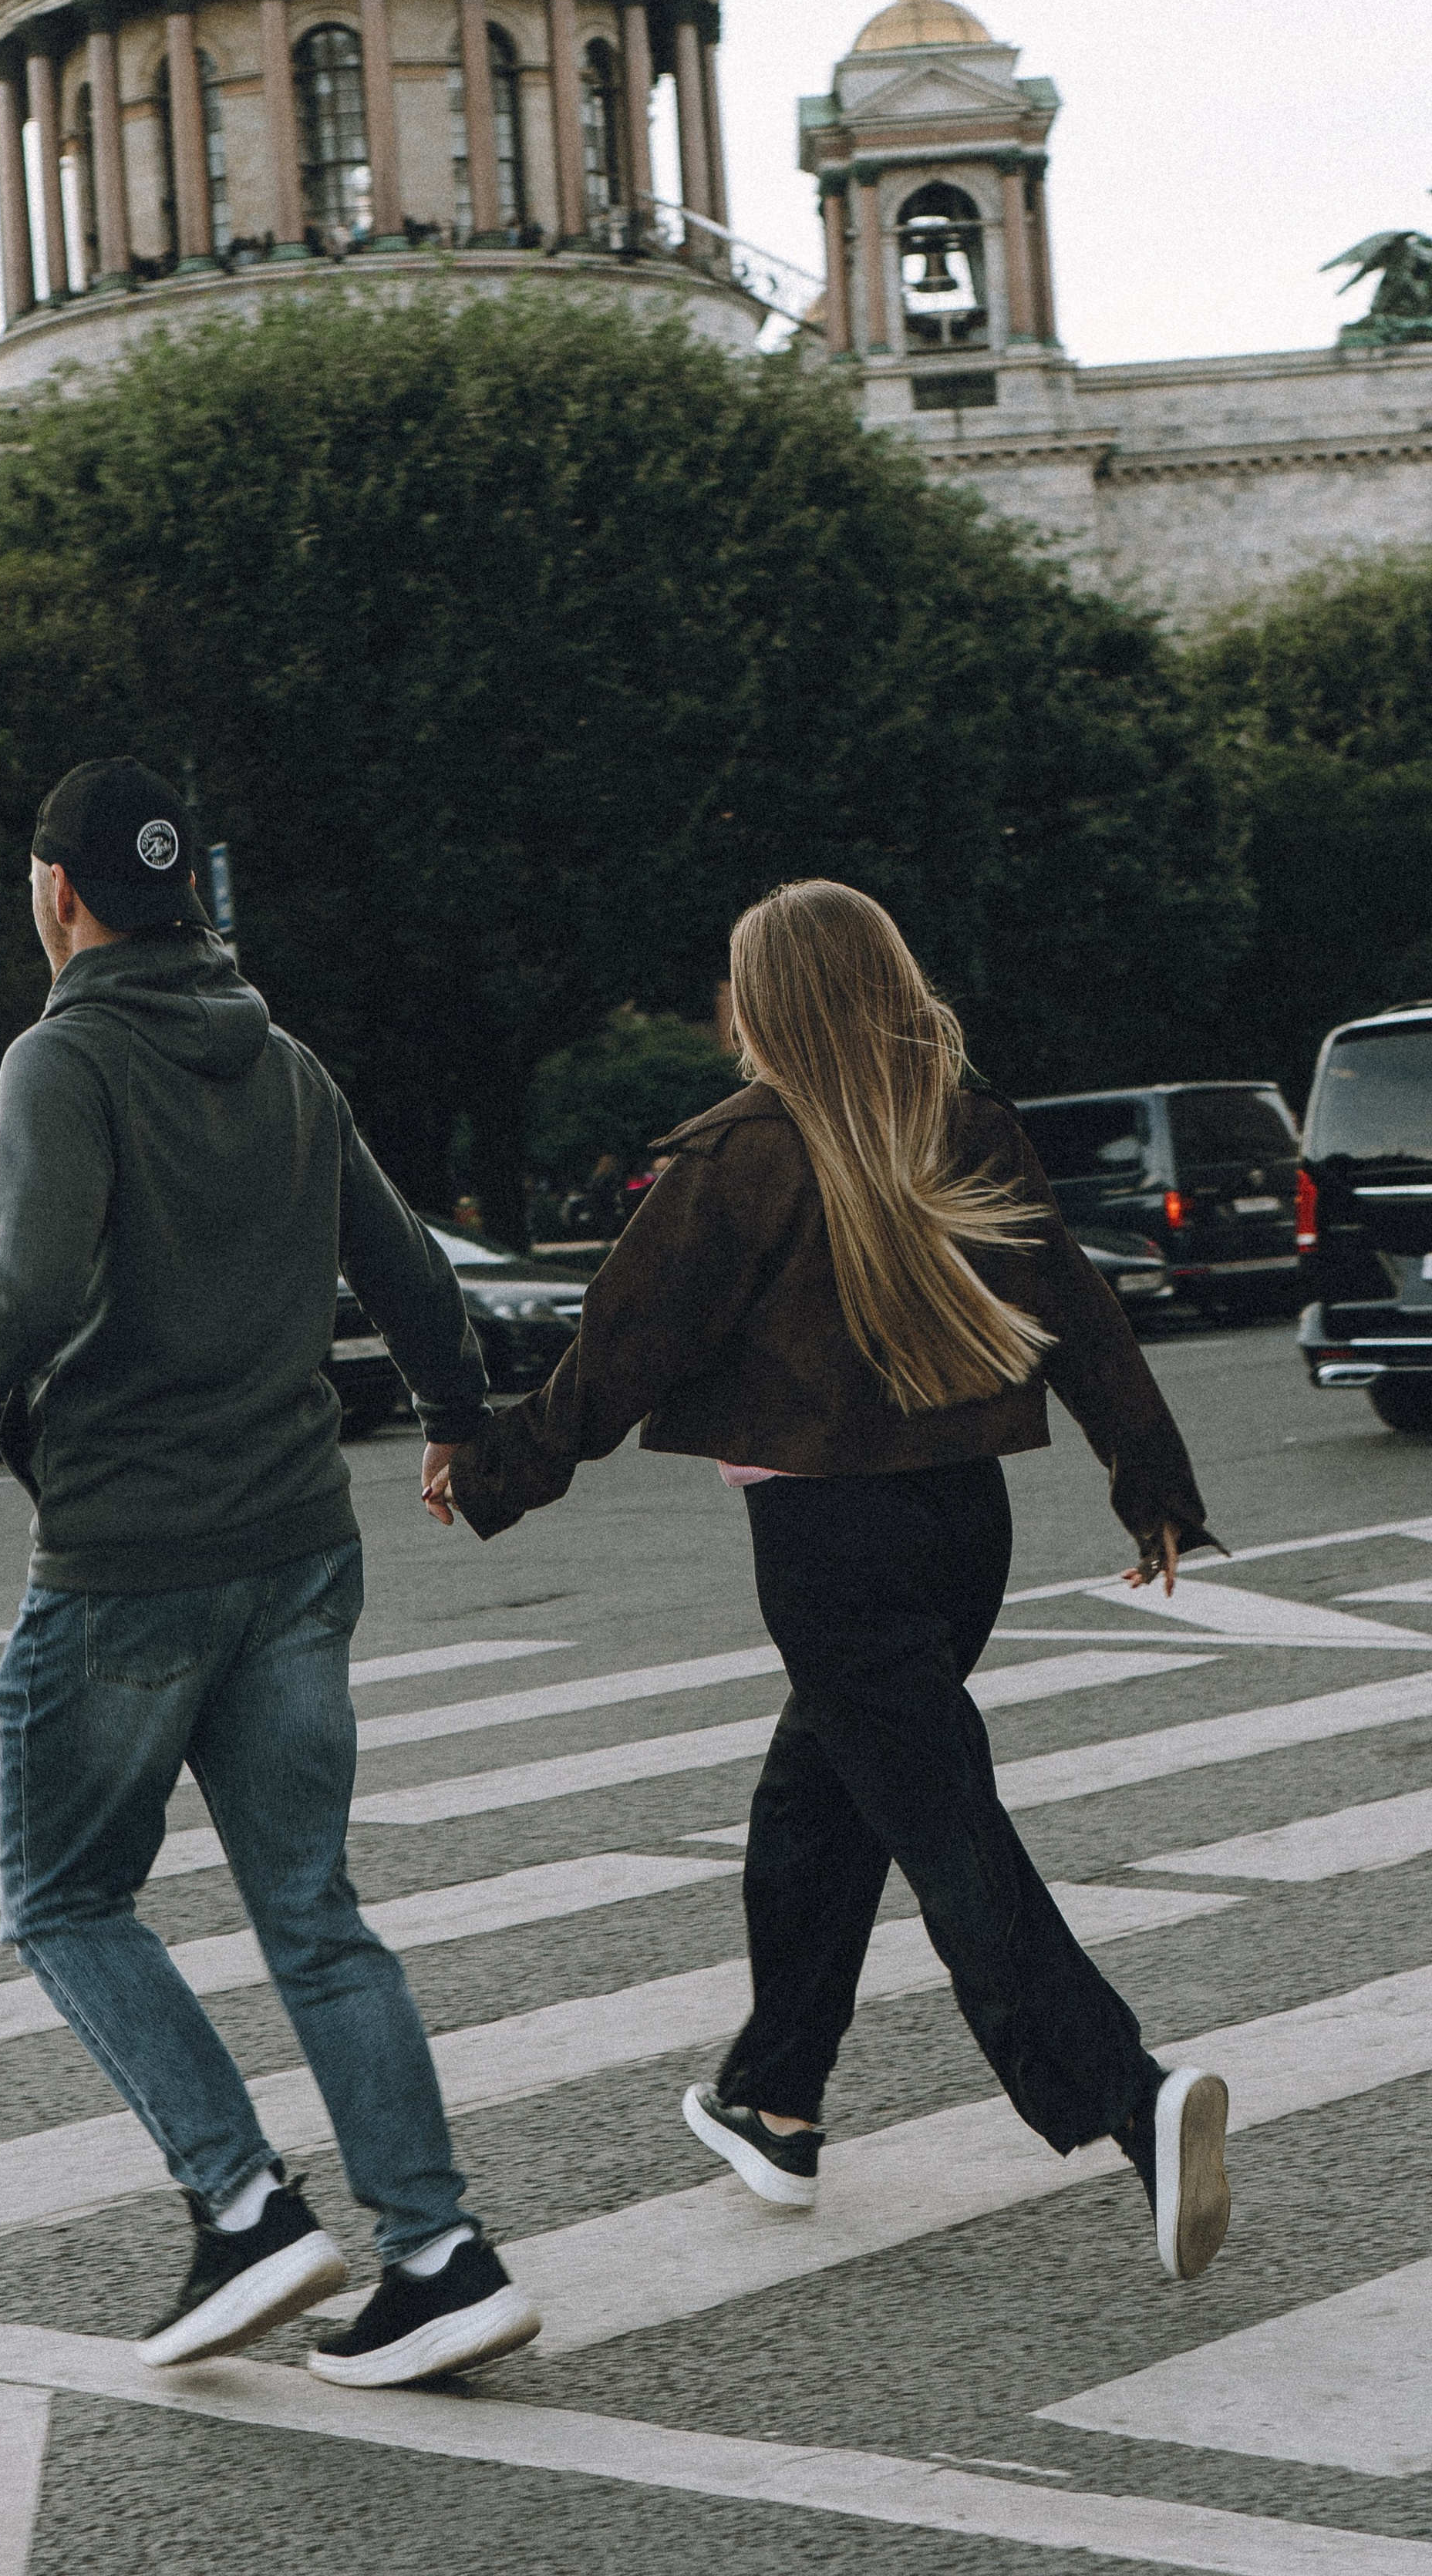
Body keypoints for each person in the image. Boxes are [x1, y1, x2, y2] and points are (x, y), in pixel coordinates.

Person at [435, 881, 1232, 2290]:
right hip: (961, 1528)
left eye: (734, 986)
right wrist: (1151, 1480)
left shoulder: (738, 1157)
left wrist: (494, 1475)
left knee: (946, 1832)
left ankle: (1131, 2099)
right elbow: (1081, 1313)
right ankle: (777, 2100)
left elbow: (615, 1352)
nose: (721, 1013)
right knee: (821, 1803)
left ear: (769, 1004)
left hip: (830, 1548)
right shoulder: (962, 1123)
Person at [0, 758, 541, 2386]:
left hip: (131, 1555)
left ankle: (244, 2206)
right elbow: (404, 1267)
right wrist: (458, 1419)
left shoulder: (62, 1058)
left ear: (57, 893)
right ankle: (437, 2252)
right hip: (296, 1546)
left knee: (62, 1897)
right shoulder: (284, 1063)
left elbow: (28, 1269)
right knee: (314, 1914)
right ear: (186, 893)